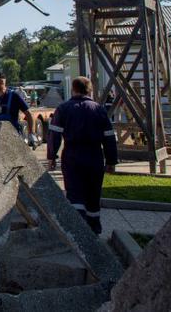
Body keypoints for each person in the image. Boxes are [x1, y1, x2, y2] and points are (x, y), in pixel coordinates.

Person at [47, 76, 118, 235]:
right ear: (90, 90)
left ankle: (78, 231)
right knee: (93, 193)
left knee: (74, 193)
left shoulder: (64, 109)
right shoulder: (99, 109)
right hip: (94, 156)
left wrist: (52, 156)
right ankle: (94, 229)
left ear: (73, 89)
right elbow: (109, 136)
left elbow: (54, 135)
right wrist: (111, 160)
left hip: (72, 156)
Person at [0, 70, 37, 147]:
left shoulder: (14, 96)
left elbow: (29, 114)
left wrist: (31, 134)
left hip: (13, 138)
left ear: (1, 81)